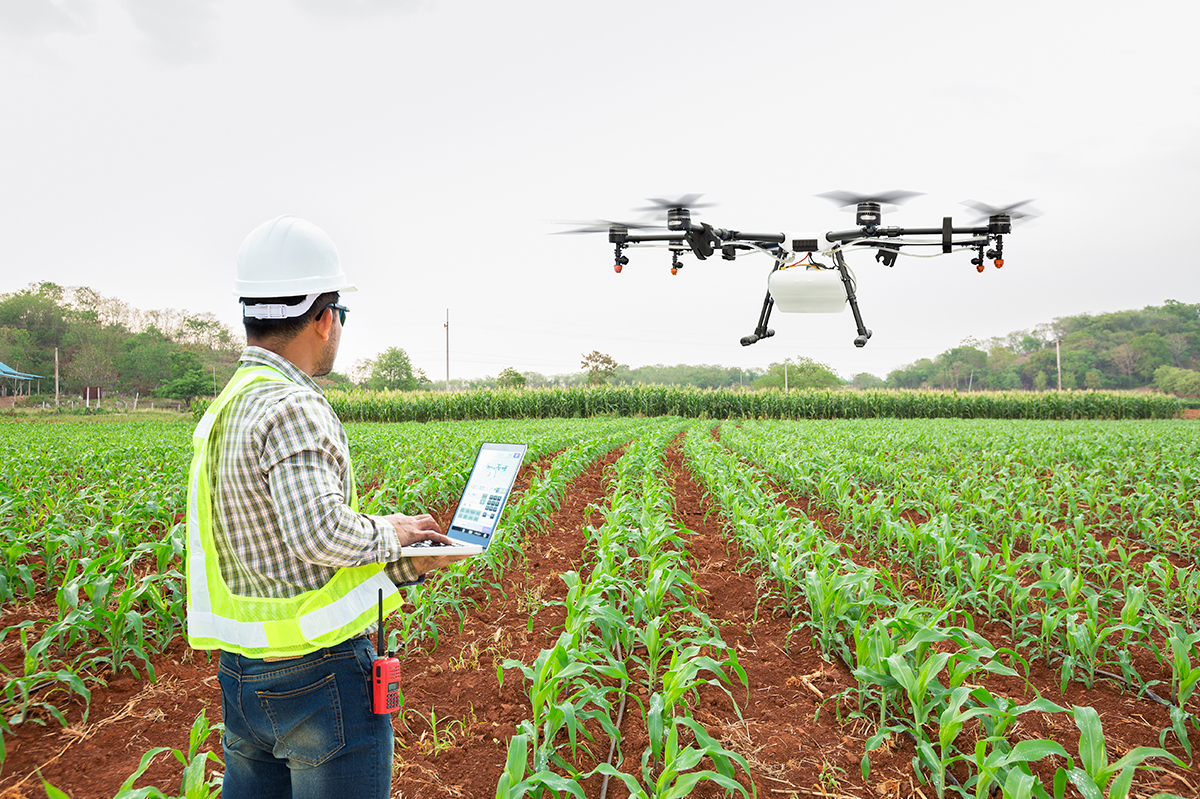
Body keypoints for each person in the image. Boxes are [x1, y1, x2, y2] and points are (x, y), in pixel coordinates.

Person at [185, 215, 469, 798]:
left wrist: (402, 558)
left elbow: (280, 557)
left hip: (243, 675)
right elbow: (317, 534)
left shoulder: (228, 406)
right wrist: (392, 535)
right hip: (315, 681)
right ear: (322, 317)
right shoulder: (292, 405)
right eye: (340, 315)